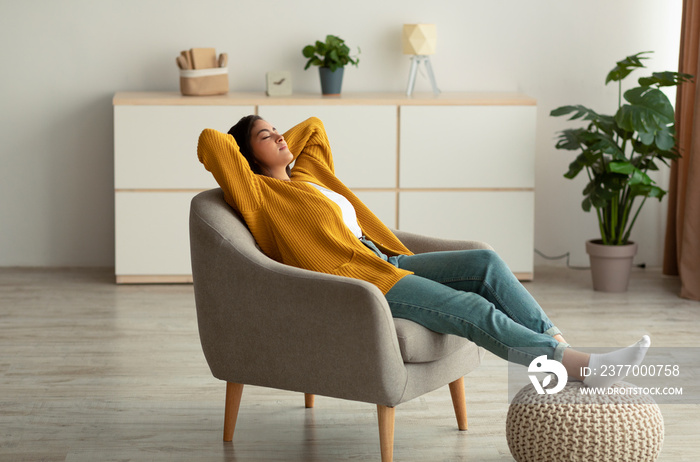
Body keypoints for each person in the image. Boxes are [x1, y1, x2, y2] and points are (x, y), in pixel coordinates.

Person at [197, 115, 650, 389]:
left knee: (484, 261)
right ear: (247, 158)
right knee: (471, 307)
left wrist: (277, 144)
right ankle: (578, 366)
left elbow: (313, 128)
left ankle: (558, 343)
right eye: (266, 136)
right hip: (363, 282)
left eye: (278, 131)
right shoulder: (257, 196)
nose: (280, 138)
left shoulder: (307, 175)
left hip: (385, 259)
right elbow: (211, 142)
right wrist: (251, 148)